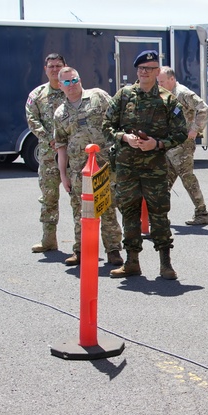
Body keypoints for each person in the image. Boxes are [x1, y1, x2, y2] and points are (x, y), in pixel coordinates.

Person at [103, 50, 187, 280]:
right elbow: (106, 126)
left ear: (157, 72)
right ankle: (132, 262)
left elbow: (181, 134)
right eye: (141, 69)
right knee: (129, 212)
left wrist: (158, 144)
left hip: (155, 168)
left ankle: (165, 263)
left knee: (159, 213)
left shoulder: (168, 100)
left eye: (149, 69)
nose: (144, 72)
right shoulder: (123, 95)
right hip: (126, 167)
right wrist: (124, 138)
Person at [52, 67, 124, 267]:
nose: (71, 84)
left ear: (80, 79)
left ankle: (113, 250)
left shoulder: (98, 97)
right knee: (80, 211)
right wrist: (63, 175)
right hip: (78, 170)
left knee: (108, 208)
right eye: (66, 82)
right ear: (60, 86)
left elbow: (116, 120)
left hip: (105, 166)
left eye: (74, 79)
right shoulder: (60, 113)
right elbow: (61, 145)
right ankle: (81, 250)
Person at [156, 66, 208, 226]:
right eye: (158, 82)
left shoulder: (183, 93)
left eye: (162, 81)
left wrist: (195, 129)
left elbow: (203, 109)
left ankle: (202, 212)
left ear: (172, 79)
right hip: (170, 145)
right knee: (164, 181)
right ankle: (160, 217)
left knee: (188, 179)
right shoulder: (166, 93)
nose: (159, 85)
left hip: (183, 146)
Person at [25, 53, 67, 253]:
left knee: (80, 200)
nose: (55, 69)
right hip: (49, 155)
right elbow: (32, 120)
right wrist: (50, 139)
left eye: (58, 65)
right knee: (49, 198)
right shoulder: (37, 95)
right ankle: (48, 240)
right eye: (51, 66)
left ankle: (82, 244)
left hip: (73, 156)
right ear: (45, 69)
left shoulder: (73, 90)